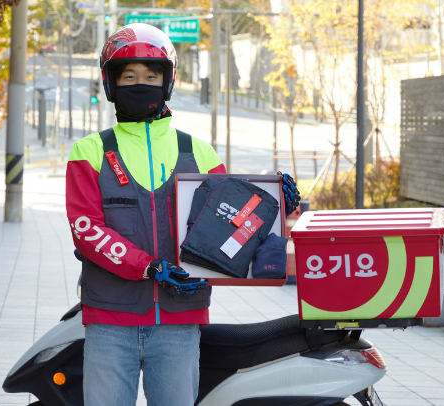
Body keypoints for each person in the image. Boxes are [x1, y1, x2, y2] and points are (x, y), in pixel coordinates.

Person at [66, 23, 300, 406]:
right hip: (109, 320)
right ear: (110, 84)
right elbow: (85, 229)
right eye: (128, 75)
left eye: (151, 75)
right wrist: (148, 266)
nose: (140, 83)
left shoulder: (200, 153)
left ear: (168, 82)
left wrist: (277, 203)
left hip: (179, 321)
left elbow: (238, 223)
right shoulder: (89, 151)